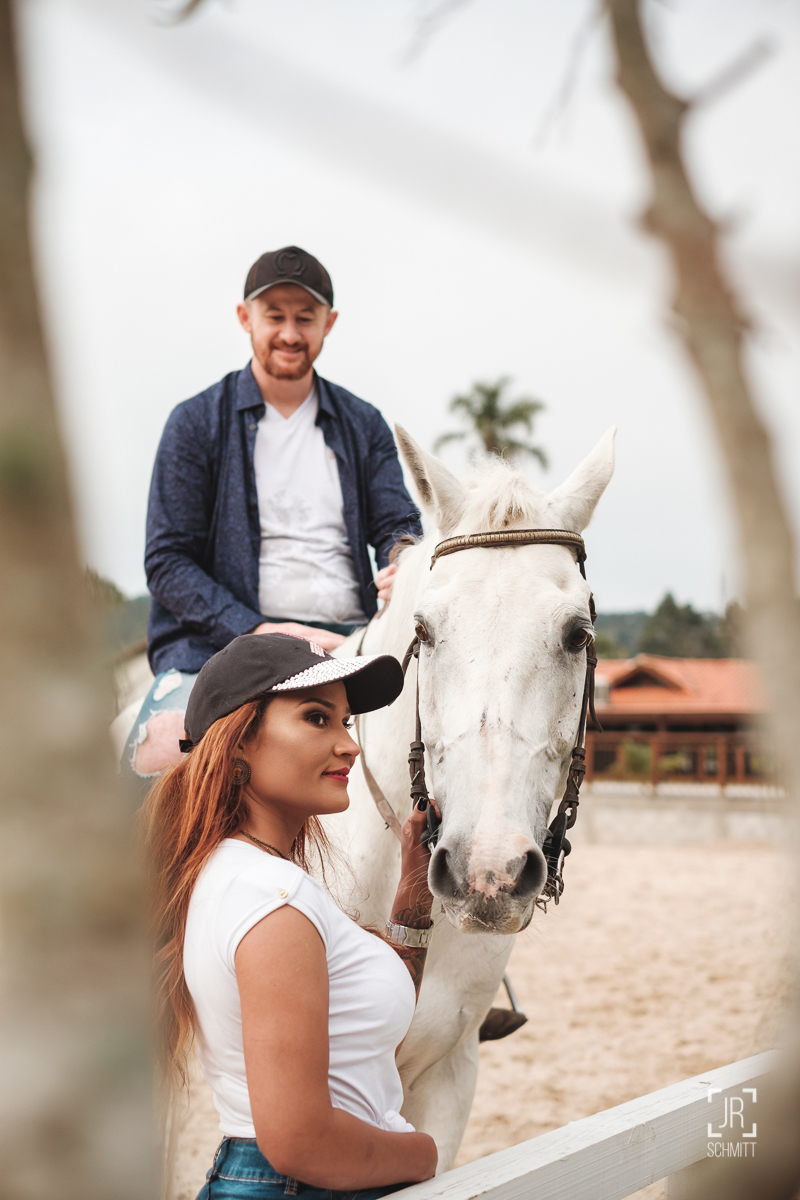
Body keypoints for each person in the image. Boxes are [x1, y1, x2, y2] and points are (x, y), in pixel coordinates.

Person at [143, 632, 438, 1198]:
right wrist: (423, 1153)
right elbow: (302, 1143)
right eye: (316, 718)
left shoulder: (236, 876)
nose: (349, 746)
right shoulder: (272, 899)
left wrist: (412, 900)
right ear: (238, 742)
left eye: (346, 722)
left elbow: (355, 1050)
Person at [124, 245, 421, 784]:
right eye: (274, 316)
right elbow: (168, 562)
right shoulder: (195, 423)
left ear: (329, 323)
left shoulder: (364, 424)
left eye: (305, 317)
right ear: (246, 318)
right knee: (152, 763)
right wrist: (260, 629)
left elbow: (398, 528)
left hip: (351, 642)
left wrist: (402, 565)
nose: (289, 333)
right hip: (220, 650)